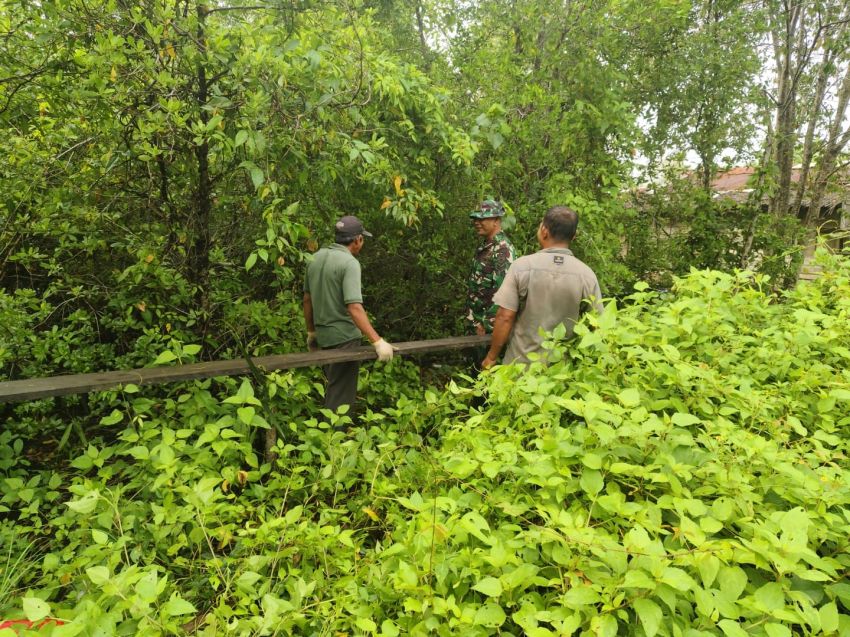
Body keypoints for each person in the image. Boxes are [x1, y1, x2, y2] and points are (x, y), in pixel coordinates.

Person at [482, 205, 602, 368]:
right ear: (573, 236)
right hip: (560, 372)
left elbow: (505, 317)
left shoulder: (522, 267)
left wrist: (491, 357)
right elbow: (597, 325)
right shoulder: (586, 275)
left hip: (520, 367)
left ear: (544, 231)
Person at [303, 215, 395, 412]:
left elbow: (307, 300)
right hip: (345, 338)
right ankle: (333, 438)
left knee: (333, 387)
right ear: (357, 240)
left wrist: (311, 332)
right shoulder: (349, 263)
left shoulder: (314, 258)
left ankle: (325, 434)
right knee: (341, 397)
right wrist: (377, 341)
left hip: (324, 337)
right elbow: (354, 307)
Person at [466, 199, 516, 337]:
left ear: (496, 220)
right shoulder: (486, 246)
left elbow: (504, 294)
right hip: (475, 322)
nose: (476, 222)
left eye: (482, 218)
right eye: (475, 218)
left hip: (489, 330)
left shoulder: (503, 250)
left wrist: (486, 324)